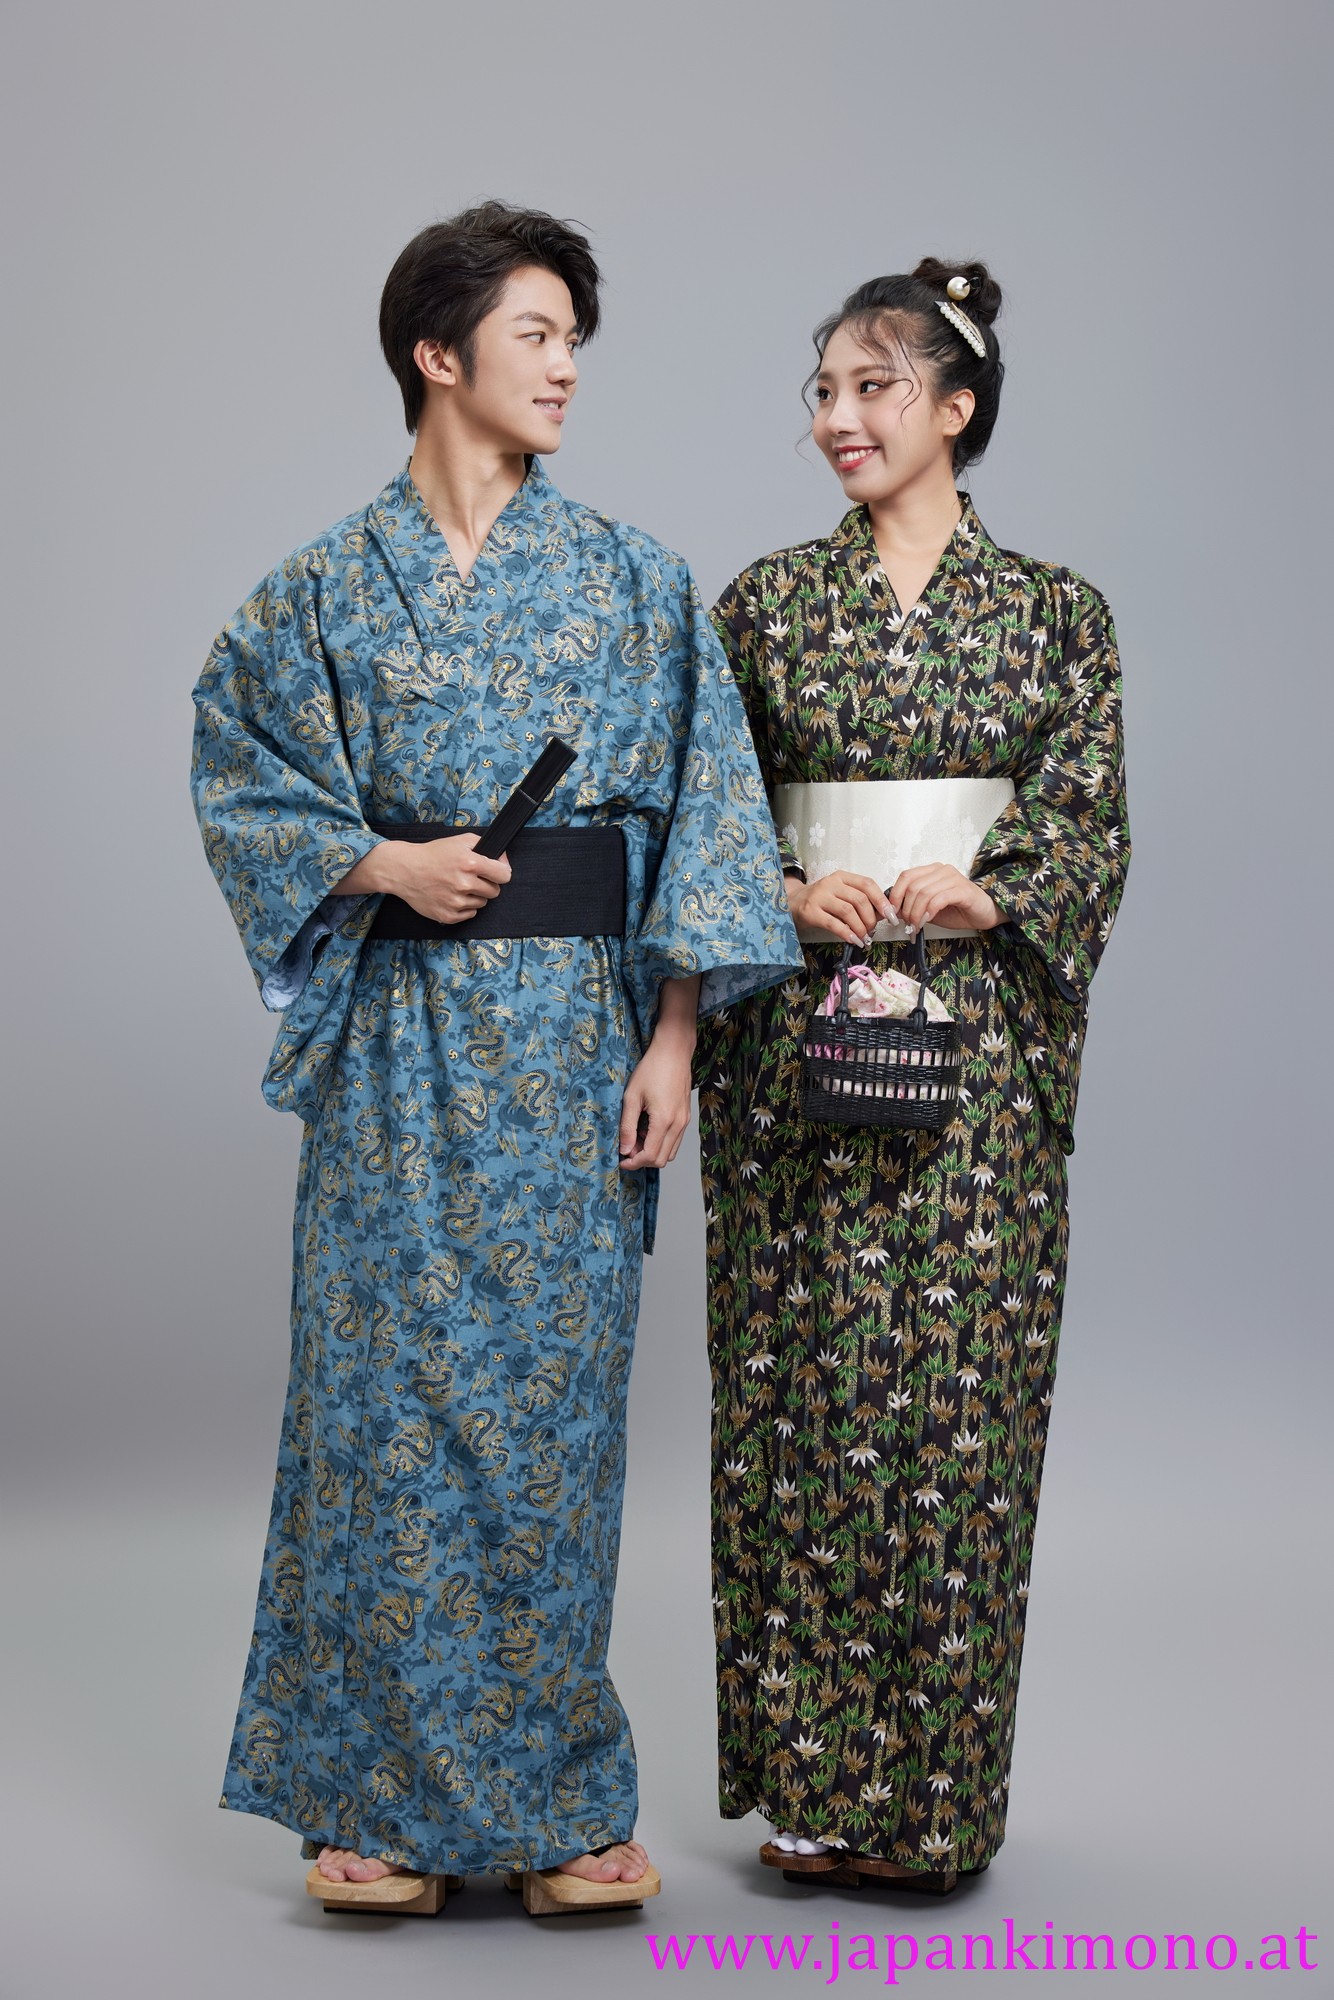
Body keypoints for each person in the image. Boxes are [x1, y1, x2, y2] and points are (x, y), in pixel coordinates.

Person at [191, 200, 800, 1918]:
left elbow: (704, 812)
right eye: (536, 335)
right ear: (435, 354)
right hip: (396, 1050)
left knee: (551, 1420)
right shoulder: (321, 588)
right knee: (381, 1413)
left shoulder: (632, 579)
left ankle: (554, 1806)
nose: (565, 368)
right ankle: (375, 1805)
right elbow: (239, 774)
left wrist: (675, 1036)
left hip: (573, 1046)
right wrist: (382, 863)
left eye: (573, 341)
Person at [696, 258, 1129, 1893]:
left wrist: (992, 892)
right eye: (821, 390)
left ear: (954, 406)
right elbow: (704, 818)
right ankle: (812, 1793)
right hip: (795, 1045)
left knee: (960, 1414)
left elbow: (1084, 820)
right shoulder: (760, 607)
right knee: (797, 1402)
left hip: (979, 1054)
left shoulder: (1056, 613)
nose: (837, 417)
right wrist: (780, 891)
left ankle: (934, 1809)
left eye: (871, 388)